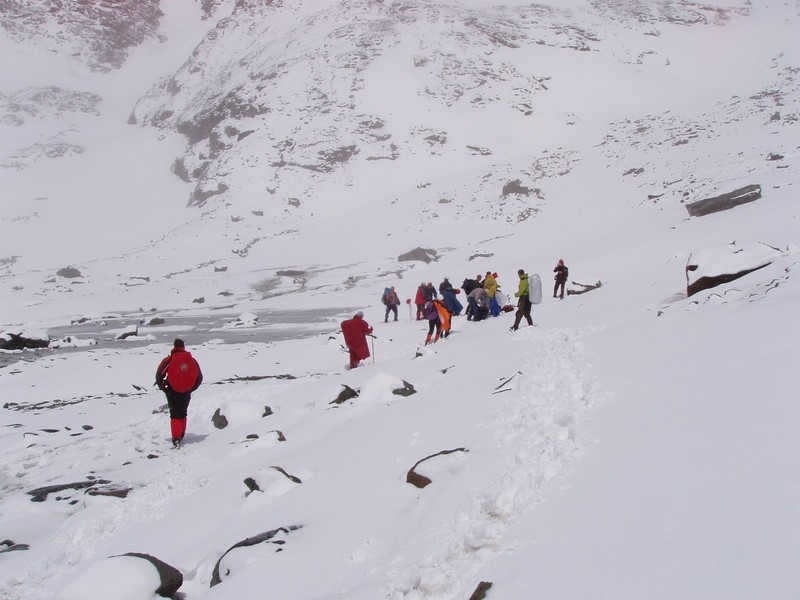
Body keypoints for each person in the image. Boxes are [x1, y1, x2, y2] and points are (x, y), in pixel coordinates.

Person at [155, 339, 203, 448]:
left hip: (172, 390)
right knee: (183, 412)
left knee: (174, 414)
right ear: (183, 346)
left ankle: (176, 438)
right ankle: (181, 434)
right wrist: (191, 388)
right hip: (187, 390)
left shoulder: (169, 359)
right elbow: (199, 377)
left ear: (174, 346)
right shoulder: (192, 360)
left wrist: (163, 387)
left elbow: (159, 376)